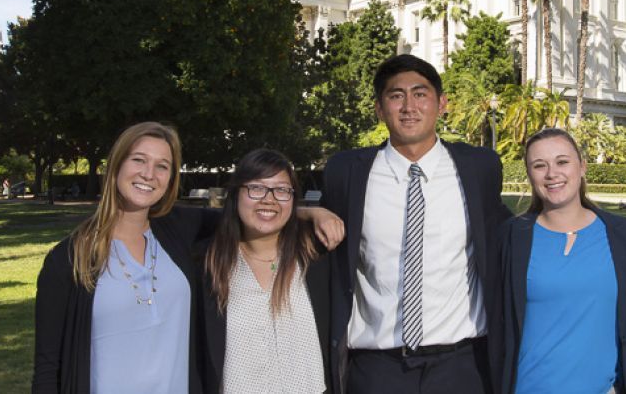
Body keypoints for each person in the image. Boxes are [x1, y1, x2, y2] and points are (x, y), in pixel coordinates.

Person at [32, 122, 343, 393]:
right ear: (115, 166)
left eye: (162, 166)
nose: (148, 174)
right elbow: (47, 367)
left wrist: (309, 211)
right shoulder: (69, 260)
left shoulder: (177, 232)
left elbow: (249, 213)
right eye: (138, 160)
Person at [321, 54, 512, 394]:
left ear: (442, 104)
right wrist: (308, 213)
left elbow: (512, 232)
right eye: (396, 96)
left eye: (420, 94)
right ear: (379, 109)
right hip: (377, 368)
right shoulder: (347, 172)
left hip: (462, 367)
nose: (409, 106)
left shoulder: (479, 167)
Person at [497, 128, 626, 394]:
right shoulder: (512, 237)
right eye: (540, 165)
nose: (552, 173)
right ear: (530, 174)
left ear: (582, 167)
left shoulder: (624, 235)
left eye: (562, 162)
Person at [198, 149, 331, 393]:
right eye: (256, 188)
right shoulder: (208, 263)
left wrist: (314, 212)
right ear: (237, 193)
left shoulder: (316, 257)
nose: (269, 199)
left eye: (281, 190)